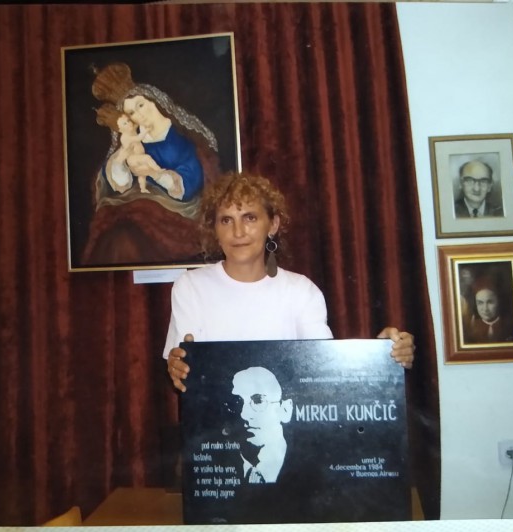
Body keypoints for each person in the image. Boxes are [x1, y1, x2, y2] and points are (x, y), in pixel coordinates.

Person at [164, 171, 415, 393]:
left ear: (272, 225)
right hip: (215, 425)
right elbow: (184, 366)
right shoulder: (190, 287)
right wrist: (178, 367)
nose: (238, 232)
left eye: (250, 218)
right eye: (226, 220)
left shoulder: (301, 291)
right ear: (215, 230)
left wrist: (383, 354)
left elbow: (325, 371)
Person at [82, 62, 222, 265]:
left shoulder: (181, 139)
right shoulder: (132, 141)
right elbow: (115, 185)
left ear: (155, 102)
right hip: (134, 213)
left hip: (177, 213)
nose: (138, 115)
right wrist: (121, 160)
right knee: (118, 238)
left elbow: (191, 180)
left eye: (140, 105)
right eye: (131, 113)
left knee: (126, 240)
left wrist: (155, 173)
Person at [227, 366, 293, 484]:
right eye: (237, 402)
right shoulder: (222, 464)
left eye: (258, 401)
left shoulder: (309, 466)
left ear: (285, 409)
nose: (244, 414)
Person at [95, 103, 165, 194]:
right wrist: (146, 131)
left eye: (128, 120)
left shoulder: (131, 129)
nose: (129, 124)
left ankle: (143, 189)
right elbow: (138, 138)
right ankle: (158, 169)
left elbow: (137, 124)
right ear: (119, 129)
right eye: (125, 124)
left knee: (142, 176)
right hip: (133, 159)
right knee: (147, 158)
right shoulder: (125, 137)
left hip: (139, 155)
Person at [464, 276, 513, 344]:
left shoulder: (510, 326)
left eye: (490, 302)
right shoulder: (471, 326)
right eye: (480, 303)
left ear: (499, 302)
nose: (485, 309)